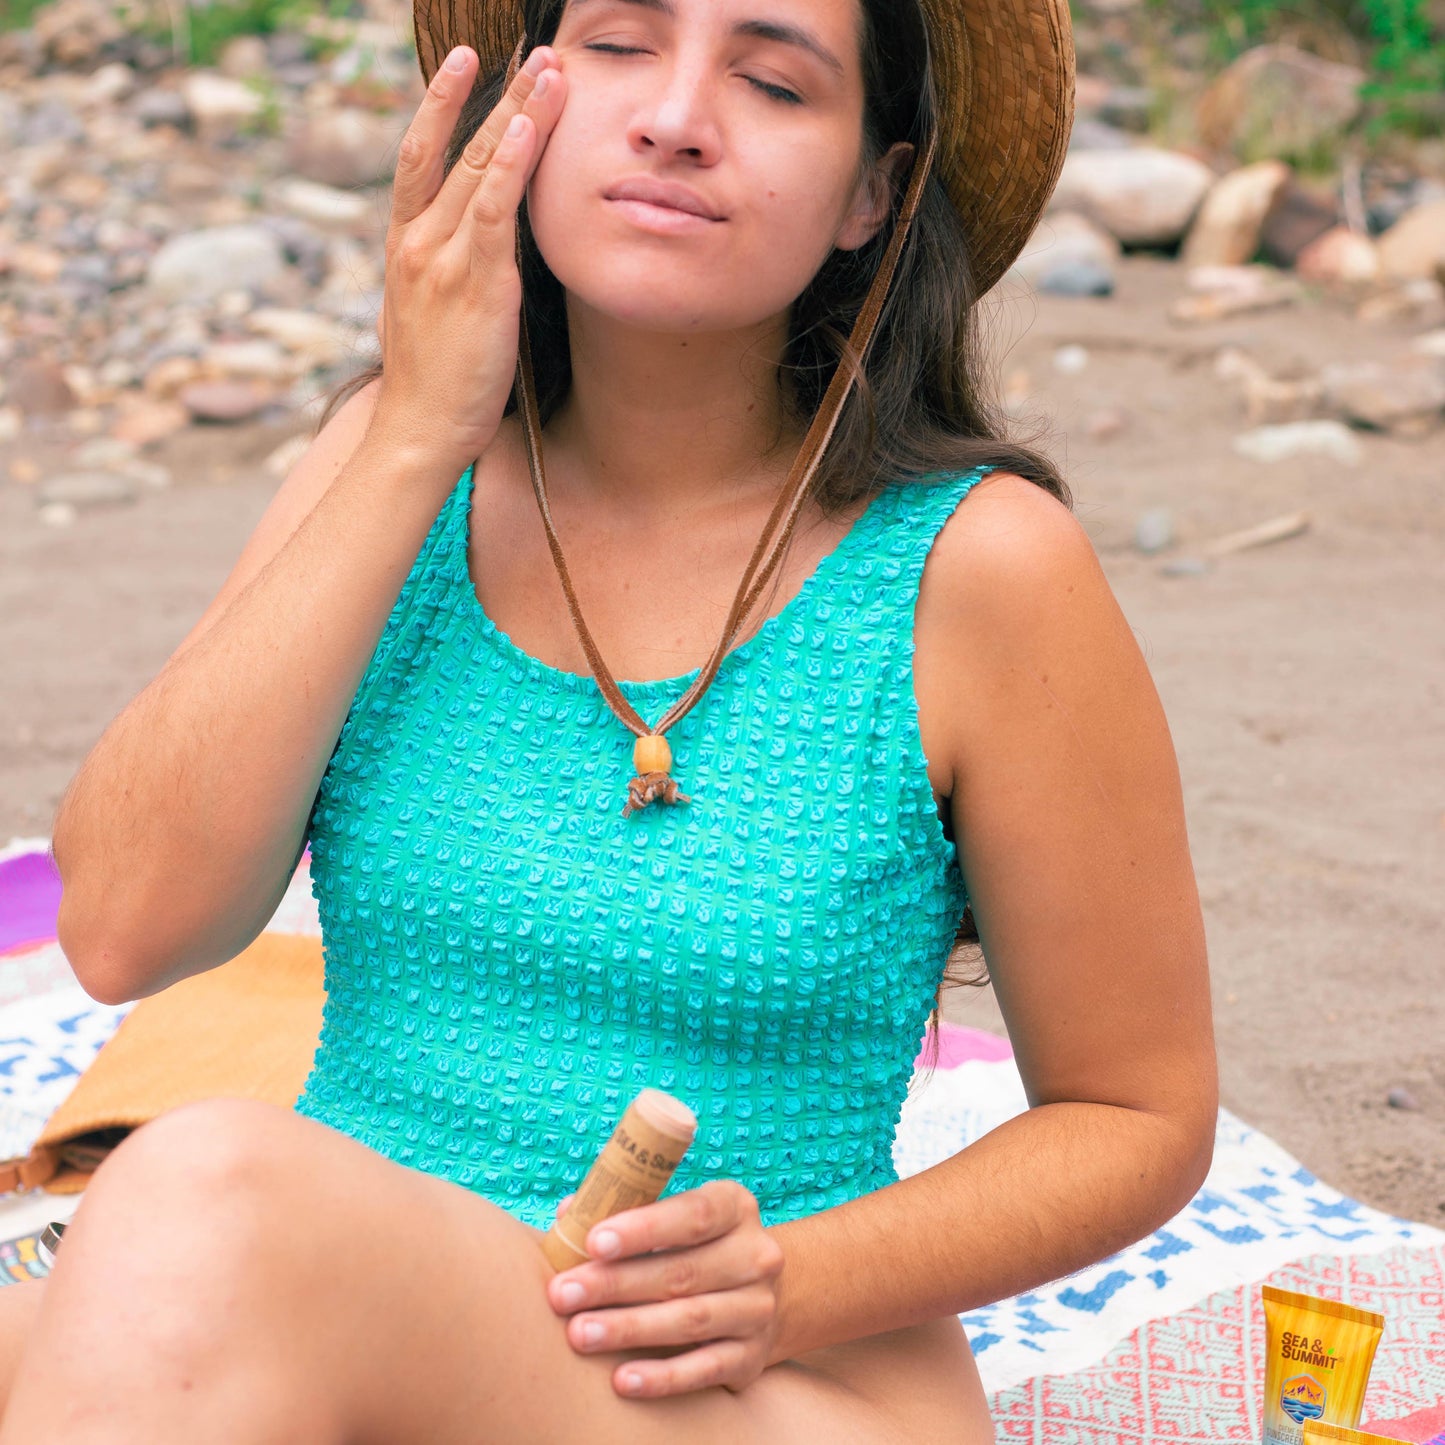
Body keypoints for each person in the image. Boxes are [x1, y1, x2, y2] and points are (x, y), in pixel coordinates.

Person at [3, 0, 1218, 1438]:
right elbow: (127, 926)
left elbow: (1137, 1112)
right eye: (623, 43)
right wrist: (408, 437)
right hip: (335, 1307)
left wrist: (790, 1278)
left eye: (770, 80)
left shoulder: (976, 567)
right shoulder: (389, 467)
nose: (675, 116)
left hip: (747, 1380)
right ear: (525, 98)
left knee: (200, 1191)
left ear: (869, 193)